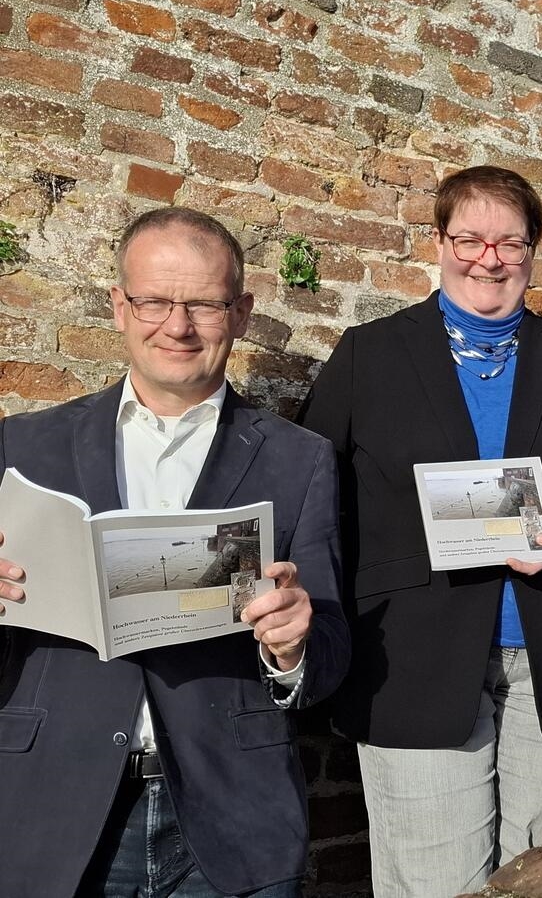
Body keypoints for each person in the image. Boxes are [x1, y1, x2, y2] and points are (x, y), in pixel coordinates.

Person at [297, 165, 542, 895]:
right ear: (438, 242)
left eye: (510, 242)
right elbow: (309, 484)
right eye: (469, 238)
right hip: (411, 653)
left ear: (532, 250)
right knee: (441, 881)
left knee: (525, 869)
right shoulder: (370, 354)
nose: (488, 259)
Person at [0, 207, 349, 897]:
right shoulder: (22, 447)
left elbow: (334, 651)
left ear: (242, 312)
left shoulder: (300, 460)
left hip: (230, 814)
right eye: (154, 300)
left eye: (204, 304)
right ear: (119, 306)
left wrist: (294, 646)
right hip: (54, 805)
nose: (177, 326)